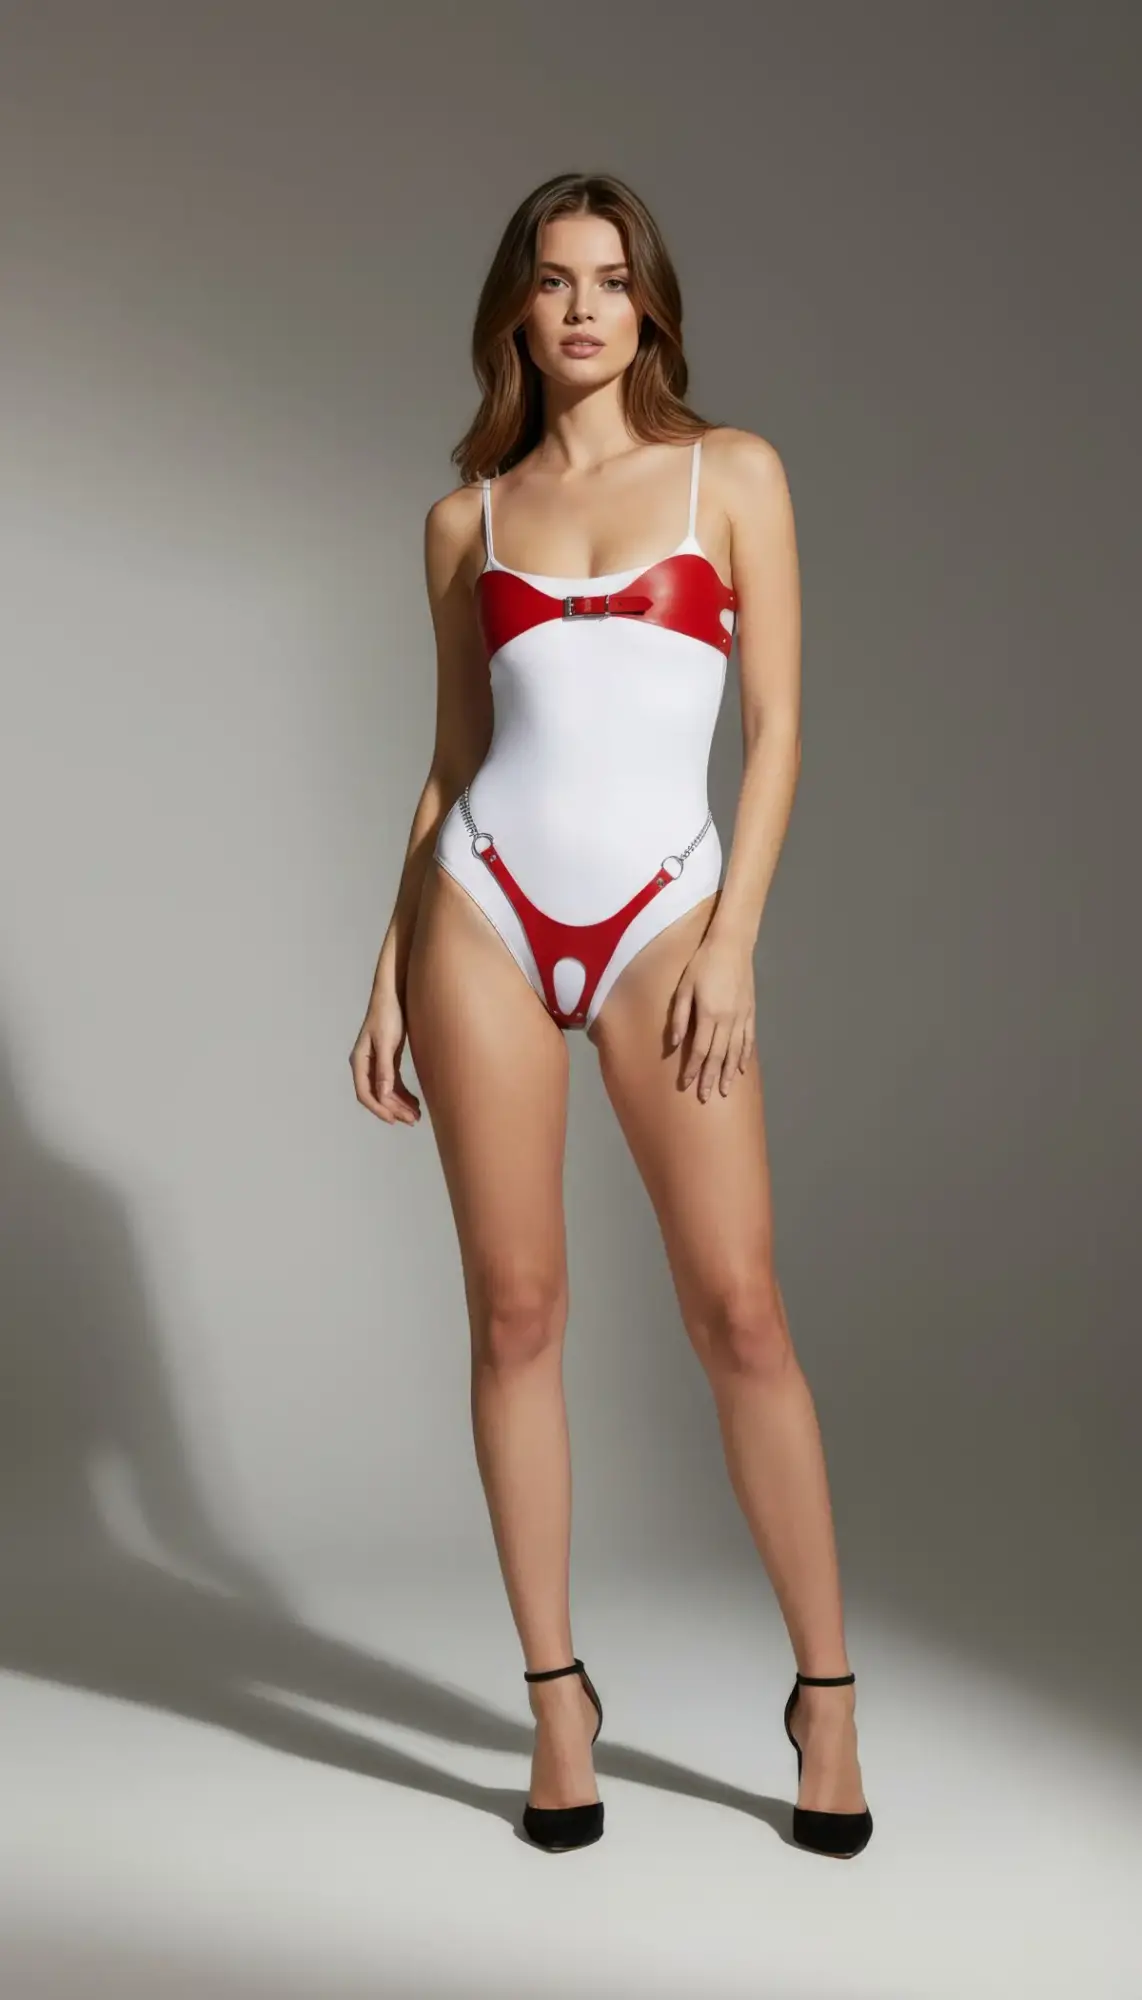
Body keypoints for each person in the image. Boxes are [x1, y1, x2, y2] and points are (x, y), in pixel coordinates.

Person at [349, 171, 872, 1859]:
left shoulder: (733, 476)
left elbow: (777, 733)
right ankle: (555, 1701)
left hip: (666, 919)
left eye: (611, 279)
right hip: (481, 911)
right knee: (513, 1314)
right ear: (516, 308)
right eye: (555, 279)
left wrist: (735, 945)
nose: (583, 307)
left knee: (740, 1314)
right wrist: (385, 970)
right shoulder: (465, 521)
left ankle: (824, 1697)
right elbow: (451, 763)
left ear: (650, 308)